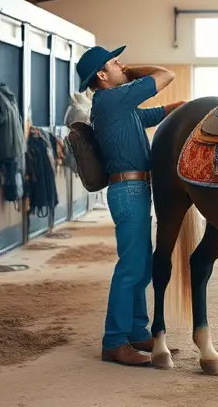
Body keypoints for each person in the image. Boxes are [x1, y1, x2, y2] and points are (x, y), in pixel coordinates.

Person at [75, 44, 184, 366]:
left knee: (141, 266)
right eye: (115, 62)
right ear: (102, 74)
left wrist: (191, 108)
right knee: (131, 268)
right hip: (129, 190)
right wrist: (133, 72)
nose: (122, 64)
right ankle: (114, 342)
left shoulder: (119, 106)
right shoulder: (111, 98)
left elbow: (164, 111)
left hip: (136, 188)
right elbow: (167, 74)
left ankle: (137, 331)